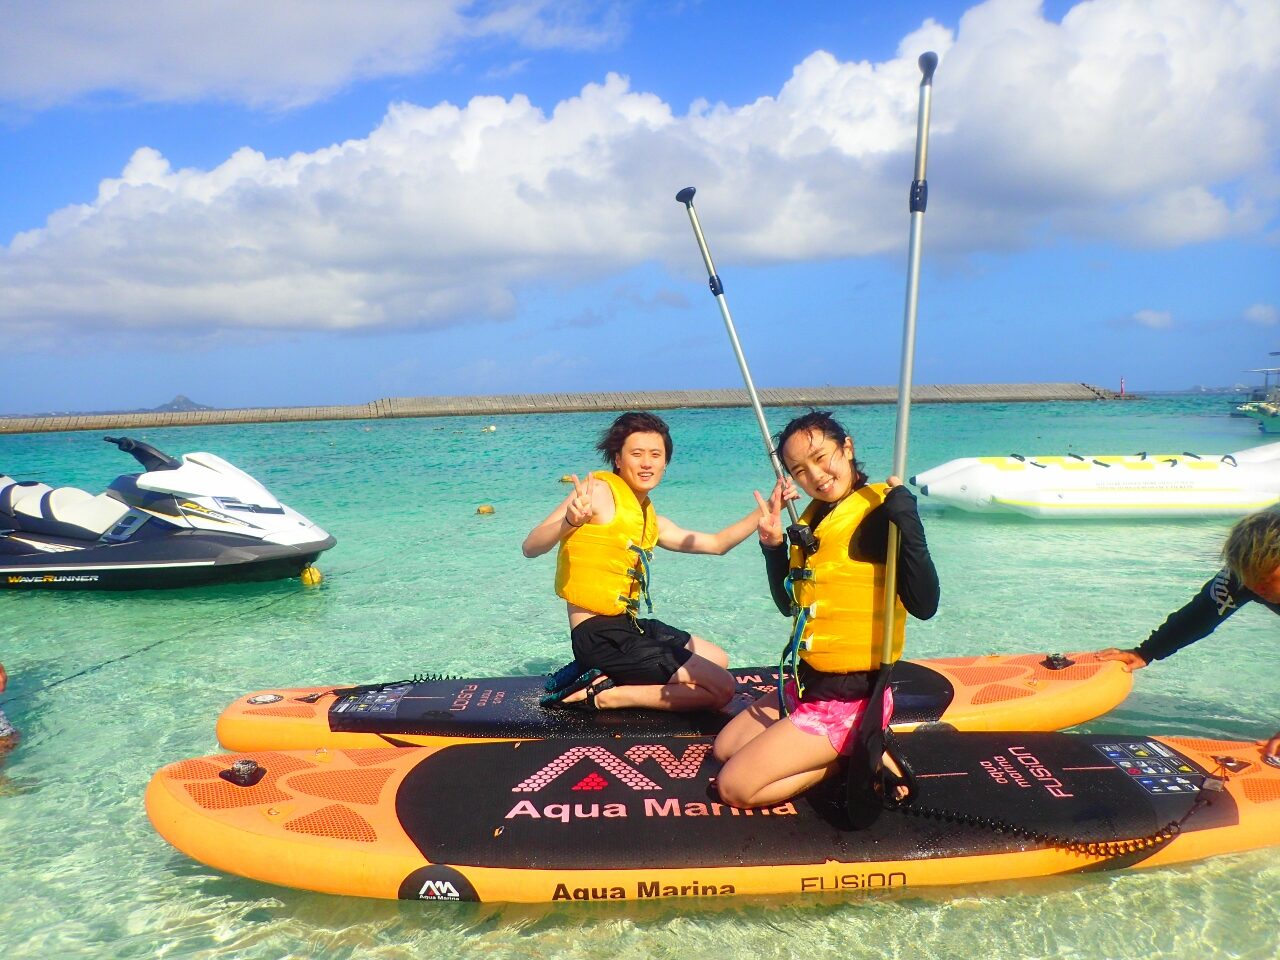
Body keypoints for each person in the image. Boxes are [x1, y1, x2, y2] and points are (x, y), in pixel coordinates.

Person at [713, 411, 940, 808]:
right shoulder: (813, 519)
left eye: (822, 458)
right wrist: (772, 549)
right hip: (809, 686)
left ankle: (855, 758)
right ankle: (847, 750)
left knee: (734, 788)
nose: (815, 476)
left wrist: (911, 526)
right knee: (724, 749)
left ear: (847, 447)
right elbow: (790, 606)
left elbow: (925, 605)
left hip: (851, 699)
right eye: (799, 470)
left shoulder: (879, 516)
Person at [522, 411, 763, 711]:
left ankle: (608, 677)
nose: (647, 463)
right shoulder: (595, 493)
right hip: (597, 636)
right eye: (637, 454)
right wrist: (569, 521)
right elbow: (530, 546)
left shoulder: (651, 521)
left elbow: (716, 544)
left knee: (719, 660)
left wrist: (766, 512)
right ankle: (605, 695)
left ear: (665, 463)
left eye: (655, 455)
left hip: (630, 627)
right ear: (618, 458)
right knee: (721, 689)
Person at [1096, 508, 1280, 760]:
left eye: (1264, 578)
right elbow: (1202, 613)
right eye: (1250, 577)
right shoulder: (1243, 574)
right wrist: (1147, 651)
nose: (1256, 587)